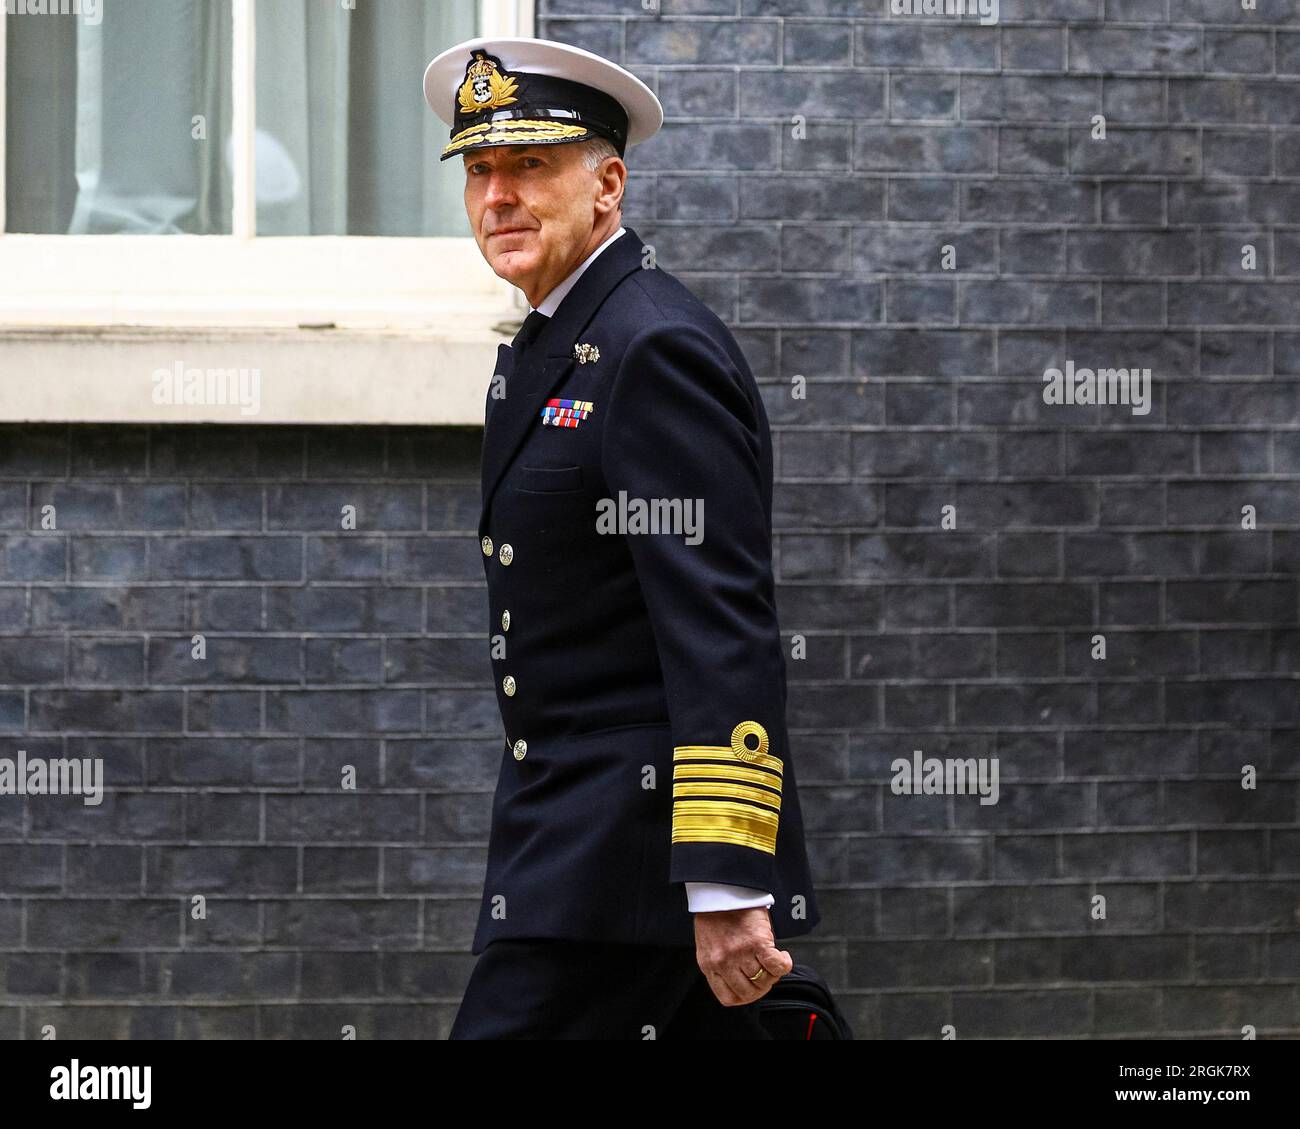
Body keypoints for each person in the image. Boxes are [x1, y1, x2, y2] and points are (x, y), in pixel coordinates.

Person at [423, 35, 821, 1040]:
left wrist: (727, 877)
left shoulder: (651, 348)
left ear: (607, 185)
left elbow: (719, 625)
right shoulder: (554, 341)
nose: (498, 195)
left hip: (627, 850)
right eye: (479, 170)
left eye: (529, 166)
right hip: (569, 836)